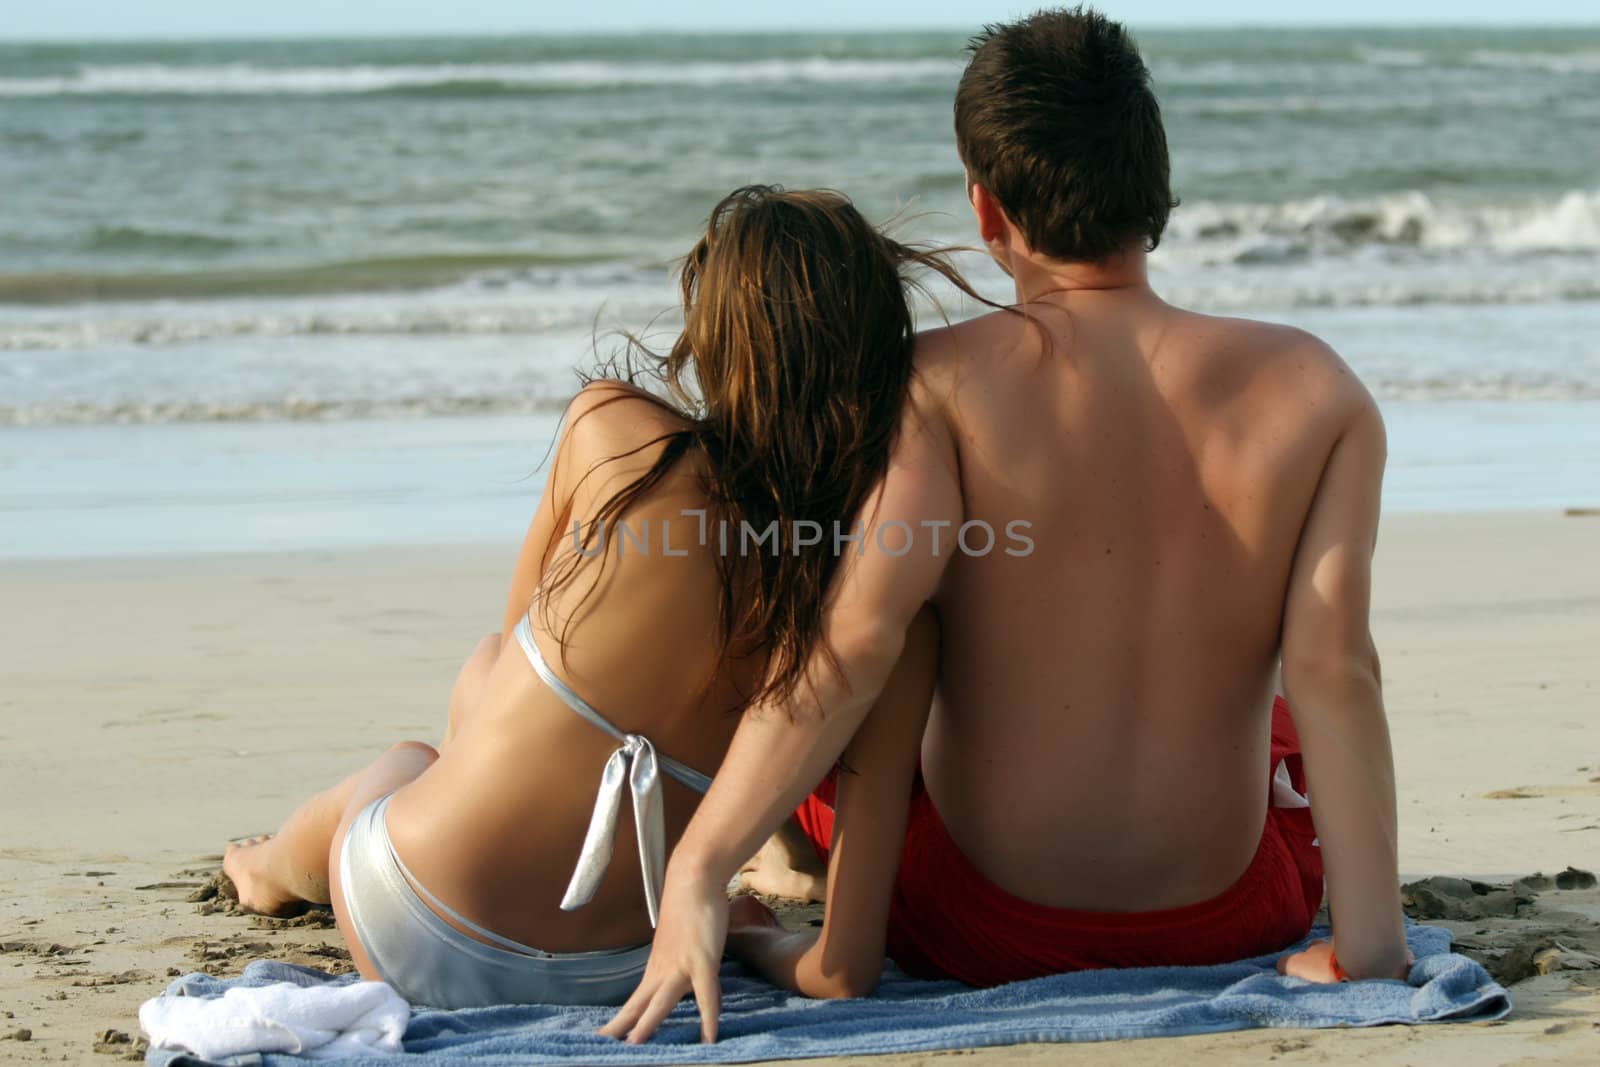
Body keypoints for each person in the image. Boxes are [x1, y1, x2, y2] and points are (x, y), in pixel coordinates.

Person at [603, 8, 1409, 1044]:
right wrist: (1369, 951)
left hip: (979, 920)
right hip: (1226, 910)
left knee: (871, 681)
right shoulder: (1316, 390)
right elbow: (1341, 666)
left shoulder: (939, 387)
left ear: (987, 211)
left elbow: (853, 647)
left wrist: (700, 865)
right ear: (1154, 188)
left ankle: (780, 861)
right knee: (1291, 701)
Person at [220, 185, 973, 1009]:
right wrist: (750, 926)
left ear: (713, 341)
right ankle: (777, 849)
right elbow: (842, 971)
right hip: (615, 974)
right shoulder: (890, 626)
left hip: (414, 921)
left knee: (418, 755)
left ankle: (264, 869)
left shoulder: (614, 434)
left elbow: (507, 662)